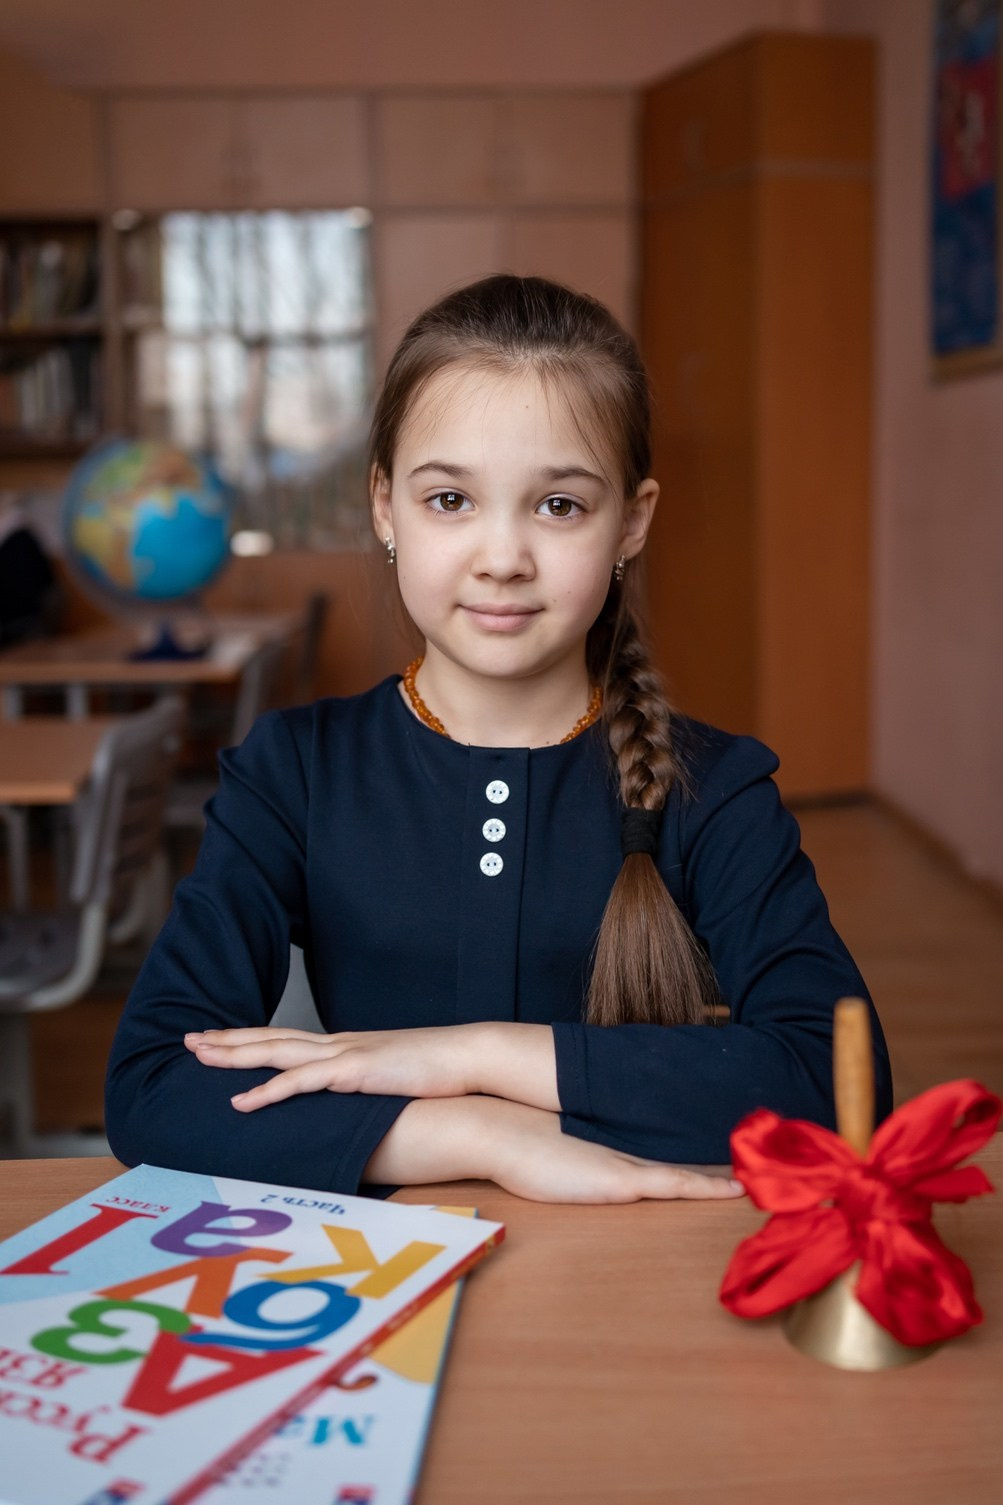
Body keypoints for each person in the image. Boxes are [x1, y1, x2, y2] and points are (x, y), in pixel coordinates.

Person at [105, 274, 891, 1204]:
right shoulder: (295, 771)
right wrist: (479, 1131)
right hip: (377, 1284)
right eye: (450, 500)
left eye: (558, 505)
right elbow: (153, 1085)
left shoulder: (714, 789)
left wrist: (472, 1054)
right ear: (385, 504)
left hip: (632, 1282)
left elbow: (839, 1089)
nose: (502, 555)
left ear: (630, 521)